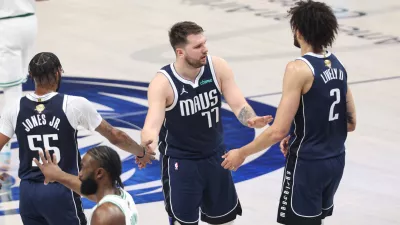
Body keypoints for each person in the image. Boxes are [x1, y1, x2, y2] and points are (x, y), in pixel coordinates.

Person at [221, 1, 357, 225]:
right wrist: (302, 133)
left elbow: (278, 131)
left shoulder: (298, 69)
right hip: (335, 161)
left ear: (299, 31)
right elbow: (350, 123)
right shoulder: (338, 64)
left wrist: (242, 153)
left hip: (307, 165)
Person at [139, 21, 273, 225]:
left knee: (225, 221)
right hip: (181, 163)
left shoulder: (217, 66)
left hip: (216, 157)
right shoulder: (162, 83)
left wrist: (250, 119)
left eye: (204, 43)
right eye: (197, 46)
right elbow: (152, 125)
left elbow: (238, 104)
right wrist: (147, 144)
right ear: (180, 52)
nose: (205, 49)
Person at [0, 52, 154, 225]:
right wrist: (141, 152)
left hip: (28, 194)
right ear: (58, 73)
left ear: (31, 76)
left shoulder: (14, 108)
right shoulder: (73, 104)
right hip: (61, 187)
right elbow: (116, 136)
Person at [33, 146, 138, 225]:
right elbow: (81, 186)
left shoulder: (104, 214)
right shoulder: (123, 196)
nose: (80, 175)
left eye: (83, 168)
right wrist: (58, 175)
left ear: (99, 173)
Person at [0, 0, 39, 206]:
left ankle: (3, 160)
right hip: (29, 23)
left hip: (8, 25)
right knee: (17, 89)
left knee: (12, 95)